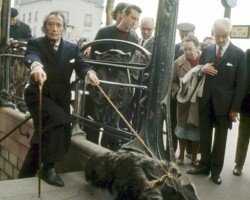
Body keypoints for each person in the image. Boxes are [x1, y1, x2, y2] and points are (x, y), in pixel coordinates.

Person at [18, 11, 99, 187]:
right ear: (45, 27)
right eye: (50, 24)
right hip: (38, 94)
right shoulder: (36, 43)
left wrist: (89, 73)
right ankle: (48, 168)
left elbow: (81, 66)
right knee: (60, 121)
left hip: (61, 98)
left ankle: (25, 174)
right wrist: (36, 65)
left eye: (58, 25)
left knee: (43, 133)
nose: (54, 28)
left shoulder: (72, 48)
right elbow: (31, 56)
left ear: (63, 28)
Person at [187, 18, 247, 185]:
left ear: (230, 32)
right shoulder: (207, 50)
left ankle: (215, 171)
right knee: (205, 136)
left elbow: (241, 84)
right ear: (213, 32)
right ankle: (204, 166)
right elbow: (196, 72)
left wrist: (235, 109)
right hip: (205, 101)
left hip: (225, 106)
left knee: (220, 141)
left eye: (224, 36)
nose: (220, 40)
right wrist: (201, 69)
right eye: (217, 35)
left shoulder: (239, 54)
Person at [172, 36, 202, 167]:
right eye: (185, 50)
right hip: (183, 102)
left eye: (190, 49)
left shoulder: (205, 60)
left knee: (197, 130)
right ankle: (181, 155)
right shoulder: (178, 63)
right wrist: (178, 91)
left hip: (199, 102)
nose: (188, 52)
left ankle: (195, 157)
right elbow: (172, 81)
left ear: (197, 47)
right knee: (182, 130)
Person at [233, 49, 250, 176]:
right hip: (248, 103)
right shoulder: (248, 53)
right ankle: (239, 164)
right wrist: (237, 105)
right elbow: (242, 78)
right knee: (243, 136)